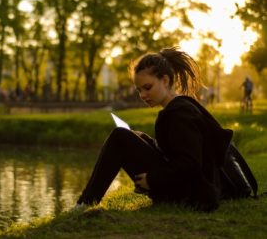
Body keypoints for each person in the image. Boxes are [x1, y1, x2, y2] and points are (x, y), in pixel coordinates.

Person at [75, 47, 233, 212]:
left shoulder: (180, 113)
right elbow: (174, 153)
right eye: (139, 90)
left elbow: (191, 164)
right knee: (130, 136)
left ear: (165, 81)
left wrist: (153, 179)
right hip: (186, 190)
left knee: (119, 136)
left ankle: (85, 203)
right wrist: (144, 140)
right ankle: (86, 201)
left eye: (147, 87)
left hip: (193, 196)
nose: (142, 95)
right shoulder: (177, 108)